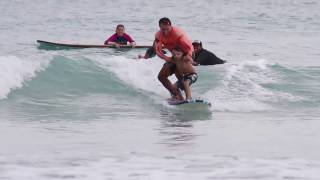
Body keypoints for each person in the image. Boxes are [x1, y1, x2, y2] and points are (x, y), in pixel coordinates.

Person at [154, 17, 194, 100]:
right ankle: (177, 95)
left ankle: (188, 97)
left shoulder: (178, 34)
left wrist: (187, 57)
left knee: (183, 78)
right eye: (162, 29)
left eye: (167, 29)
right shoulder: (158, 35)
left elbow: (189, 47)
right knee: (161, 76)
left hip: (186, 54)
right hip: (174, 57)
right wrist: (166, 58)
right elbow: (157, 49)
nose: (165, 32)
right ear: (159, 27)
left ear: (170, 26)